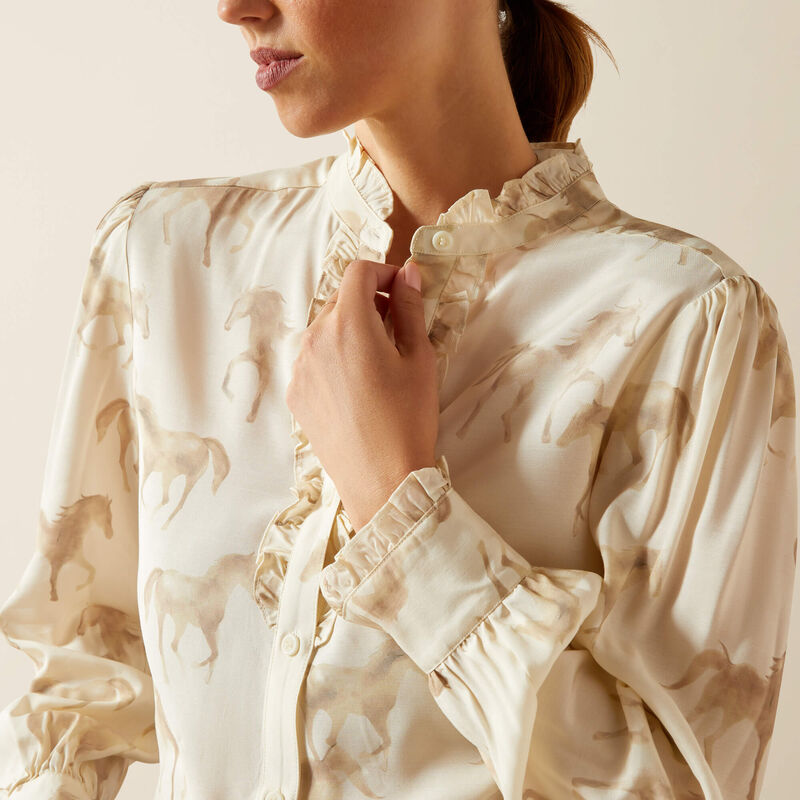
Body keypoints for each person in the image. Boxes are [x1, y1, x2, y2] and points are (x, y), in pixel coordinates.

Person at [0, 1, 796, 798]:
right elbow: (77, 693)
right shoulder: (165, 260)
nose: (236, 8)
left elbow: (679, 785)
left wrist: (402, 514)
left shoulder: (689, 327)